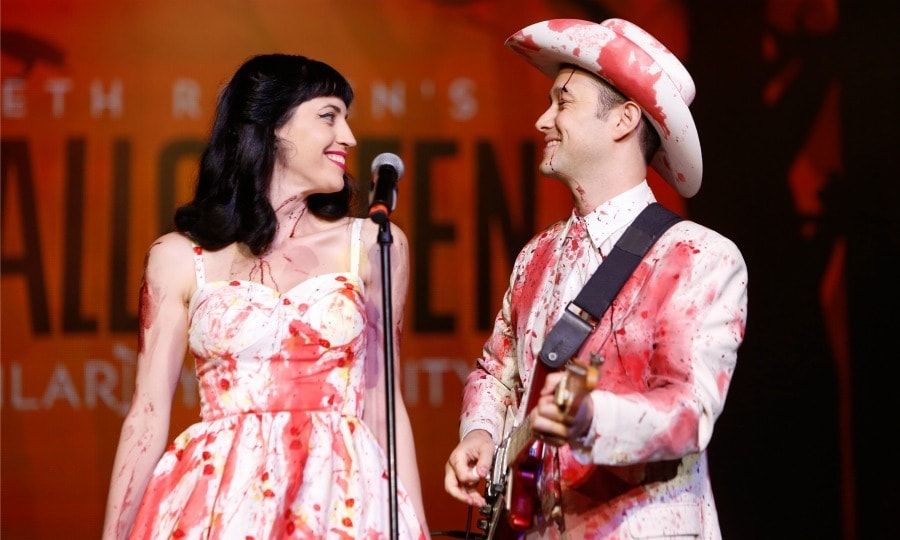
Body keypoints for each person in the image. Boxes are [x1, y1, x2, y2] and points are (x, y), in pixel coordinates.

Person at [103, 54, 429, 539]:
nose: (350, 138)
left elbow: (384, 402)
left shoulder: (373, 245)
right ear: (272, 127)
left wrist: (414, 526)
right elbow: (148, 413)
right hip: (221, 499)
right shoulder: (179, 257)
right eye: (328, 116)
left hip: (339, 497)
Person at [444, 19, 748, 539]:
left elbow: (688, 409)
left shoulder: (698, 257)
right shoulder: (535, 256)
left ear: (624, 120)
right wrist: (480, 431)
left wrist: (590, 417)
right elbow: (497, 370)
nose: (543, 120)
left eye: (563, 102)